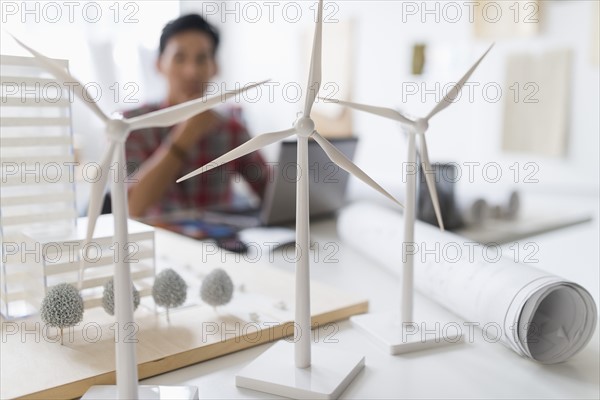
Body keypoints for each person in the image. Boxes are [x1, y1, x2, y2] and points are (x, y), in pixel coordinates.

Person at [124, 14, 268, 218]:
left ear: (215, 67)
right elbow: (132, 207)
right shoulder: (132, 125)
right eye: (179, 58)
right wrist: (185, 136)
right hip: (158, 244)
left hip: (220, 245)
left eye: (202, 59)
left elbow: (272, 193)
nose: (191, 72)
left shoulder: (232, 128)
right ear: (159, 65)